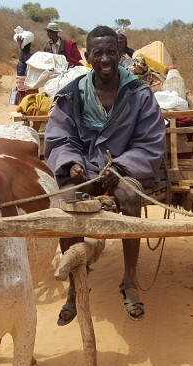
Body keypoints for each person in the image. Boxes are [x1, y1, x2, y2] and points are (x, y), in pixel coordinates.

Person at [44, 25, 166, 325]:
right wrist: (71, 163)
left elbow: (150, 141)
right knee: (66, 200)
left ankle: (130, 280)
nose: (106, 59)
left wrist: (122, 167)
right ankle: (75, 286)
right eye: (98, 53)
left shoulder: (139, 94)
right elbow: (60, 139)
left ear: (120, 54)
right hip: (84, 171)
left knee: (129, 194)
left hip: (123, 170)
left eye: (112, 52)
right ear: (88, 57)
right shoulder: (71, 96)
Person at [13, 27, 35, 104]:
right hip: (22, 88)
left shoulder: (29, 56)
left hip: (28, 89)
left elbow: (21, 58)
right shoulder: (26, 56)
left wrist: (19, 44)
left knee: (27, 107)